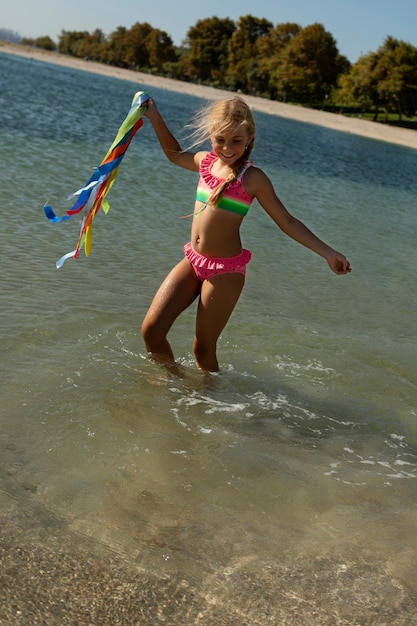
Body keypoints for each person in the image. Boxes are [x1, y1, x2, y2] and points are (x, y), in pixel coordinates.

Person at [142, 96, 351, 373]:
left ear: (249, 138)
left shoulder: (252, 179)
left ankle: (212, 405)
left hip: (225, 272)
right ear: (211, 136)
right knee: (152, 331)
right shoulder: (205, 162)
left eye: (236, 141)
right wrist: (154, 116)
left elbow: (287, 221)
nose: (227, 148)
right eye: (221, 140)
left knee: (202, 349)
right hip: (194, 261)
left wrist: (328, 253)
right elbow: (174, 154)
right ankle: (174, 386)